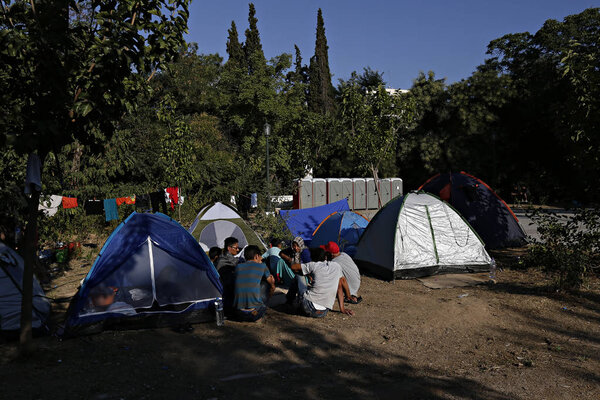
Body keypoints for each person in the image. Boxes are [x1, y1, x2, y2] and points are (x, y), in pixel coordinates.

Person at [286, 247, 354, 318]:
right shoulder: (336, 266)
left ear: (313, 258)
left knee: (298, 276)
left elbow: (293, 267)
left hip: (308, 306)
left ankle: (289, 301)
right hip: (323, 312)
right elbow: (339, 287)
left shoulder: (313, 265)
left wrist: (295, 255)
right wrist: (342, 309)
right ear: (325, 257)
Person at [232, 245, 275, 322]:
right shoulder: (262, 266)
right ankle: (259, 314)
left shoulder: (238, 267)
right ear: (256, 256)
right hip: (254, 313)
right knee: (266, 284)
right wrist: (272, 285)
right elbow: (272, 282)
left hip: (238, 313)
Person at [215, 237, 241, 313]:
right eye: (236, 248)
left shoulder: (225, 258)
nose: (238, 250)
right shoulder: (224, 261)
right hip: (226, 290)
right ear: (229, 248)